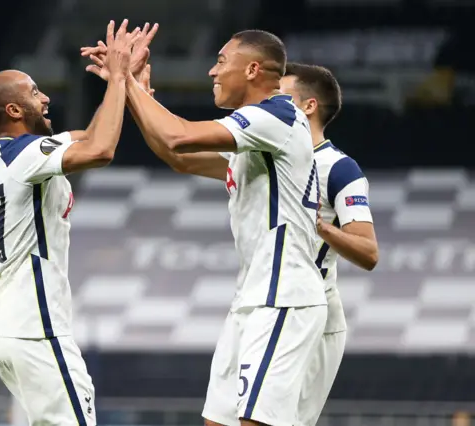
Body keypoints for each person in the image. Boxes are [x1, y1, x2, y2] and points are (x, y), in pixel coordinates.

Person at [82, 29, 327, 426]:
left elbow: (178, 137)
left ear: (251, 69)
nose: (212, 71)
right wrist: (131, 87)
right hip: (253, 297)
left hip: (284, 297)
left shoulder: (277, 116)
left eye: (221, 61)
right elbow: (180, 158)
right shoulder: (257, 138)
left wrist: (125, 79)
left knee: (255, 423)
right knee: (219, 422)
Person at [0, 19, 142, 426]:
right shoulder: (27, 155)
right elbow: (101, 150)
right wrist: (119, 78)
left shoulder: (6, 154)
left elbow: (91, 135)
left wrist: (119, 83)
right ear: (14, 110)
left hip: (11, 325)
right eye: (34, 92)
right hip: (36, 325)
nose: (46, 97)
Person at [280, 62, 379, 426]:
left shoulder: (340, 169)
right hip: (269, 304)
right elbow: (181, 155)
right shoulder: (271, 155)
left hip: (314, 313)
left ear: (308, 106)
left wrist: (320, 227)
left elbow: (368, 252)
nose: (270, 103)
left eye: (281, 96)